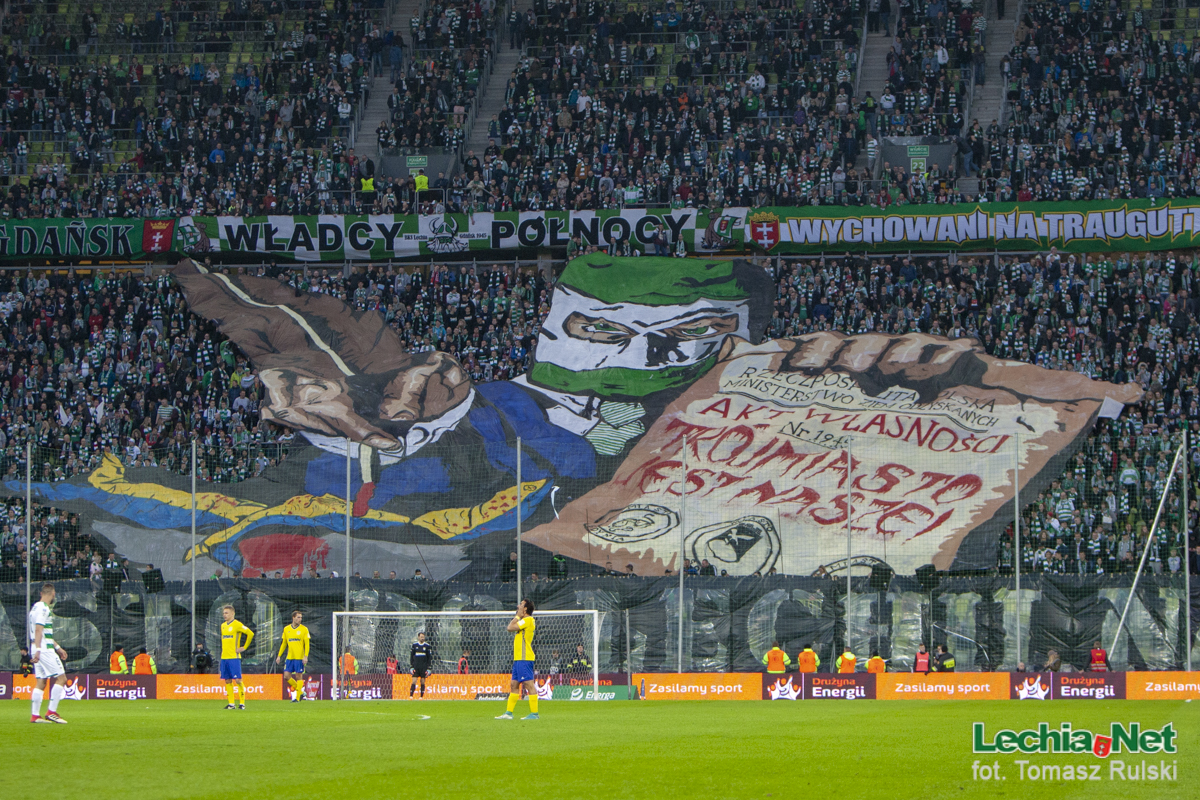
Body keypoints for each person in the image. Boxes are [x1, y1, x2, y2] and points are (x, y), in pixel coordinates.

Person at [29, 583, 70, 723]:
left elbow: (44, 632)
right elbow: (39, 630)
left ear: (41, 593)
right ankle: (51, 712)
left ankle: (35, 716)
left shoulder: (34, 607)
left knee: (41, 681)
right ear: (53, 594)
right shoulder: (43, 609)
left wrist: (58, 647)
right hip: (43, 649)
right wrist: (39, 650)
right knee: (62, 678)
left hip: (37, 646)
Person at [496, 598, 538, 720]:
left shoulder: (528, 620)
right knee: (514, 684)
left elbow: (510, 627)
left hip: (525, 658)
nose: (518, 606)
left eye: (521, 604)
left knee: (528, 684)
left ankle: (534, 714)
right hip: (518, 658)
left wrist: (517, 616)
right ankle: (508, 713)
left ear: (525, 609)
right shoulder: (524, 621)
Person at [219, 604, 254, 710]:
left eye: (226, 613)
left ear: (232, 613)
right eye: (224, 613)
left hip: (234, 657)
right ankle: (231, 704)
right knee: (227, 680)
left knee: (238, 680)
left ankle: (242, 703)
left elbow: (250, 633)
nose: (224, 615)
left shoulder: (237, 624)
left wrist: (244, 647)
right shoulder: (223, 626)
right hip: (224, 657)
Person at [275, 610, 311, 702]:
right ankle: (301, 692)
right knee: (286, 676)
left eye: (301, 617)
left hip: (299, 657)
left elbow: (307, 644)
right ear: (293, 618)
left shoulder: (304, 629)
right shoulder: (286, 629)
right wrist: (279, 655)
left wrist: (305, 656)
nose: (300, 619)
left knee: (299, 676)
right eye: (298, 617)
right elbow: (284, 643)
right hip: (290, 657)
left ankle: (297, 698)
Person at [410, 631, 433, 698]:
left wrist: (428, 668)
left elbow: (429, 658)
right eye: (421, 637)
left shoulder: (427, 646)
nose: (422, 638)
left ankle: (421, 697)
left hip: (423, 667)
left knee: (422, 682)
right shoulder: (414, 646)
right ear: (418, 637)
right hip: (416, 667)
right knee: (414, 681)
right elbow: (411, 657)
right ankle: (411, 696)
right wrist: (412, 666)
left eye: (423, 637)